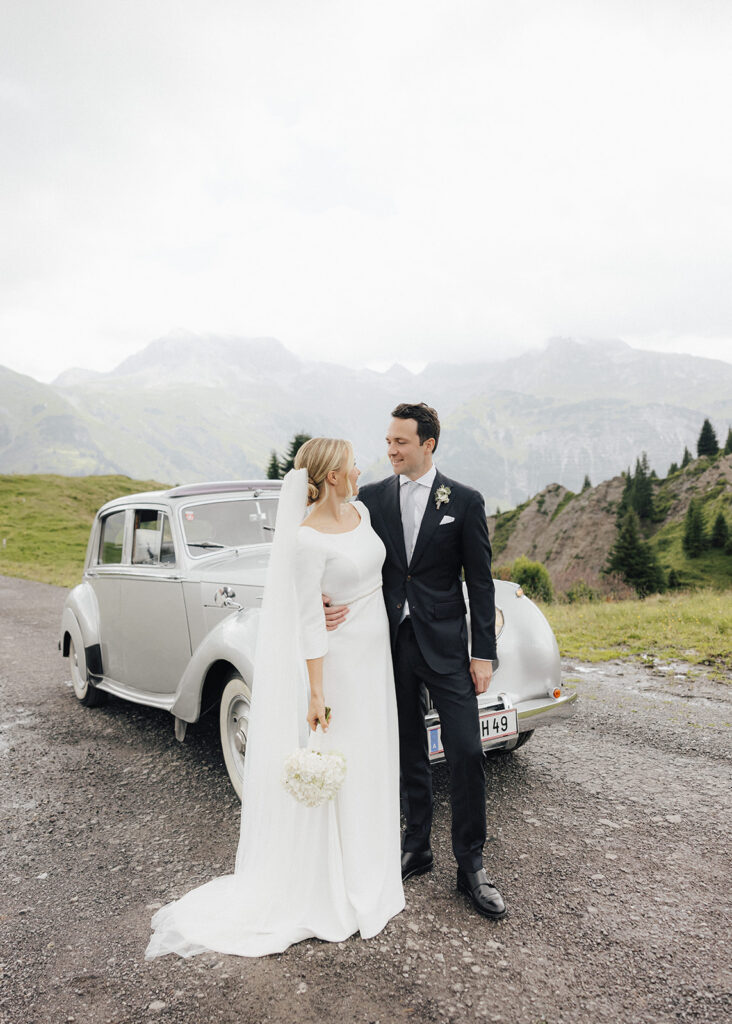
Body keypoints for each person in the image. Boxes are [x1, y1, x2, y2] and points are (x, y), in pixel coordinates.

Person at [144, 439, 404, 959]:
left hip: (376, 658)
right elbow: (306, 616)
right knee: (345, 760)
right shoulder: (306, 539)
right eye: (352, 463)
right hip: (339, 665)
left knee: (375, 757)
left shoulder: (363, 512)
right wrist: (316, 691)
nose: (360, 469)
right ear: (333, 476)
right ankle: (336, 884)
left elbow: (370, 572)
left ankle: (373, 871)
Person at [325, 403, 506, 919]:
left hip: (448, 646)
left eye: (400, 442)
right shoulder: (372, 498)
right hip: (390, 643)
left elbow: (480, 582)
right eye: (388, 441)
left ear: (428, 444)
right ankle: (416, 846)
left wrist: (483, 653)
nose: (390, 450)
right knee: (407, 749)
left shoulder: (464, 500)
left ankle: (471, 865)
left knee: (466, 751)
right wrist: (320, 595)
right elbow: (339, 548)